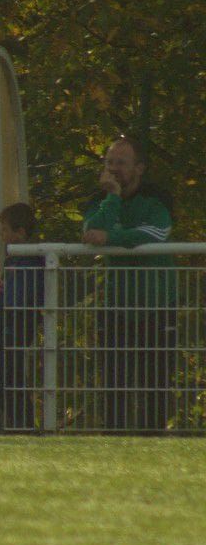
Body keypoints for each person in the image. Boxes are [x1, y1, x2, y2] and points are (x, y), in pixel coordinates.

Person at [81, 136, 175, 431]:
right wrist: (112, 197)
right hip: (115, 305)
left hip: (157, 306)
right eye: (110, 162)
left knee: (156, 384)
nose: (114, 168)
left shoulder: (156, 200)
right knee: (114, 383)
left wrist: (113, 239)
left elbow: (156, 232)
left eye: (121, 163)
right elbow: (91, 232)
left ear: (140, 168)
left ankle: (155, 441)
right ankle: (114, 440)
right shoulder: (99, 200)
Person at [0, 203, 44, 431]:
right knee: (9, 377)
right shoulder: (17, 260)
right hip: (10, 327)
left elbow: (15, 300)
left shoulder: (27, 261)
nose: (2, 236)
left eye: (5, 230)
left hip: (14, 328)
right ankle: (19, 425)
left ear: (20, 232)